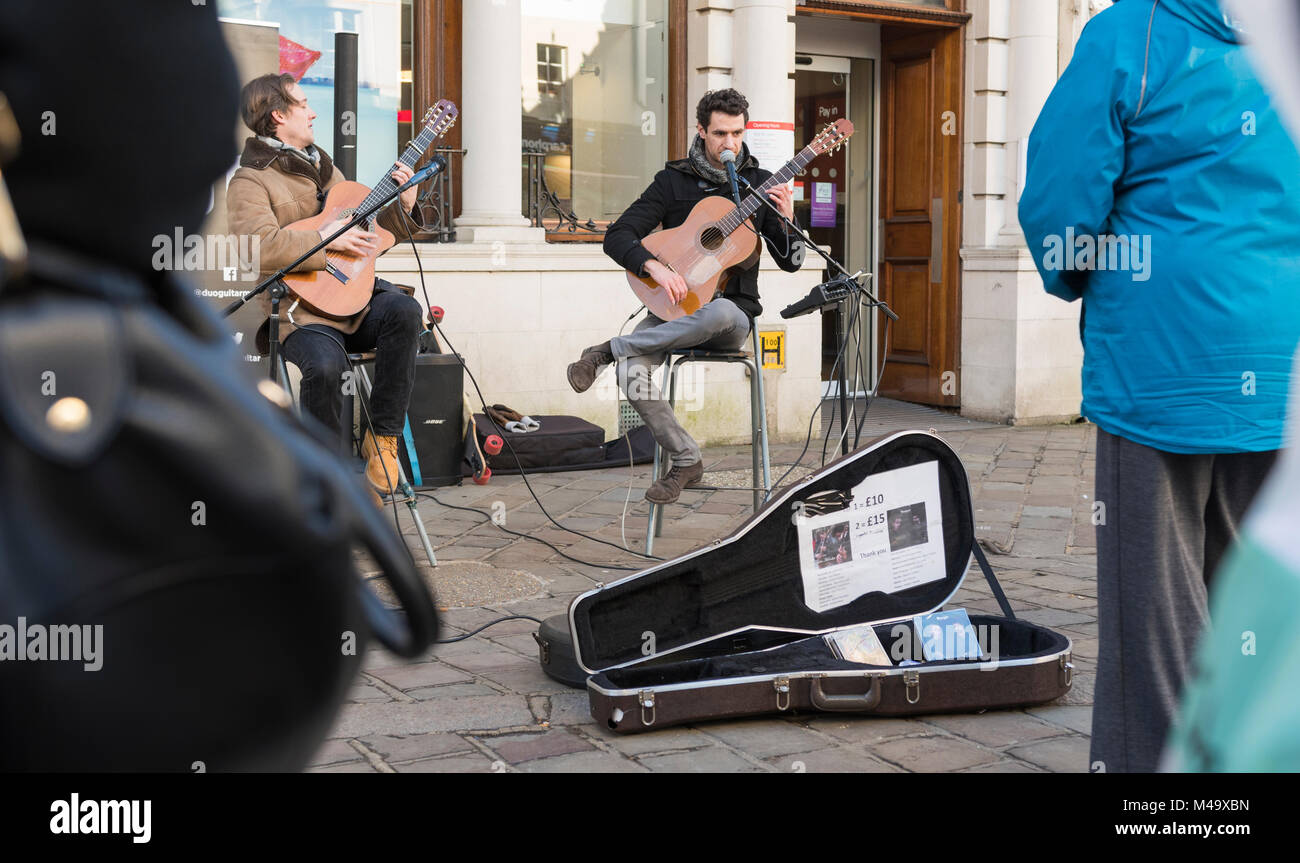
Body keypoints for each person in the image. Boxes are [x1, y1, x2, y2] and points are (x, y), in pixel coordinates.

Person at [1018, 0, 1300, 772]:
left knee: (1157, 622)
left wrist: (1078, 275)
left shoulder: (1129, 32)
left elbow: (1060, 201)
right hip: (1279, 364)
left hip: (1158, 365)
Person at [570, 88, 804, 504]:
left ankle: (608, 349)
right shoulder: (672, 182)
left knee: (715, 313)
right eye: (719, 134)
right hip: (672, 312)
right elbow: (617, 235)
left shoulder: (759, 185)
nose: (729, 143)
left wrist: (788, 221)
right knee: (631, 373)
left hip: (730, 317)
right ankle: (685, 459)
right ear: (701, 130)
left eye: (736, 133)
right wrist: (654, 267)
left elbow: (792, 263)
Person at [227, 72, 424, 497]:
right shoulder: (249, 181)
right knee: (327, 366)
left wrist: (402, 208)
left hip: (351, 304)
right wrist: (323, 239)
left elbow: (363, 238)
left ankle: (384, 441)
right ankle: (326, 478)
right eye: (303, 104)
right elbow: (253, 248)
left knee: (405, 312)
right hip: (298, 315)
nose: (313, 112)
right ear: (278, 115)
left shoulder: (324, 167)